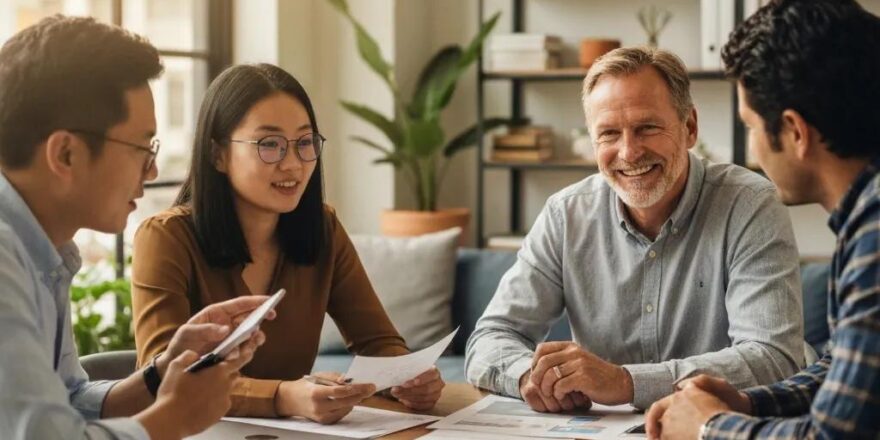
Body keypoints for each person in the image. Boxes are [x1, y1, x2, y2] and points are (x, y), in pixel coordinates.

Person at [465, 46, 808, 412]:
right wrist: (530, 379)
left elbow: (774, 359)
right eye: (609, 133)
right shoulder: (566, 214)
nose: (628, 152)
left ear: (689, 127)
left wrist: (626, 382)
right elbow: (490, 338)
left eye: (647, 128)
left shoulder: (749, 204)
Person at [0, 15, 272, 440]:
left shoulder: (40, 249)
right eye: (141, 148)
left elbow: (70, 400)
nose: (153, 169)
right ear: (66, 154)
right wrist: (175, 417)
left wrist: (163, 372)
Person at [130, 63, 445, 424]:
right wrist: (282, 396)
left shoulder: (322, 229)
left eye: (305, 142)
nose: (293, 164)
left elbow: (377, 341)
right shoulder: (165, 238)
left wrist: (406, 376)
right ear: (217, 154)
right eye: (270, 145)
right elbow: (163, 378)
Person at [645, 0, 880, 438]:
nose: (753, 150)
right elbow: (846, 367)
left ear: (794, 131)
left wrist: (707, 427)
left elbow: (832, 436)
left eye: (750, 126)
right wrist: (751, 400)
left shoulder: (876, 233)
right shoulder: (863, 216)